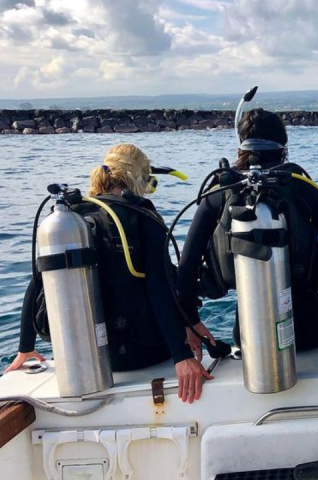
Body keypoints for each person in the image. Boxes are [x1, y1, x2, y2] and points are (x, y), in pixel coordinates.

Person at [5, 144, 213, 404]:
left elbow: (38, 283)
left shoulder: (72, 219)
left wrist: (25, 346)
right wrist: (182, 356)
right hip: (145, 355)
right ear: (139, 178)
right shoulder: (141, 215)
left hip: (87, 362)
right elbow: (160, 289)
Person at [176, 108, 318, 383]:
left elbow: (185, 270)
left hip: (248, 340)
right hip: (313, 333)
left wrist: (191, 324)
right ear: (284, 147)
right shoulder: (303, 189)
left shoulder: (219, 194)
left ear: (241, 144)